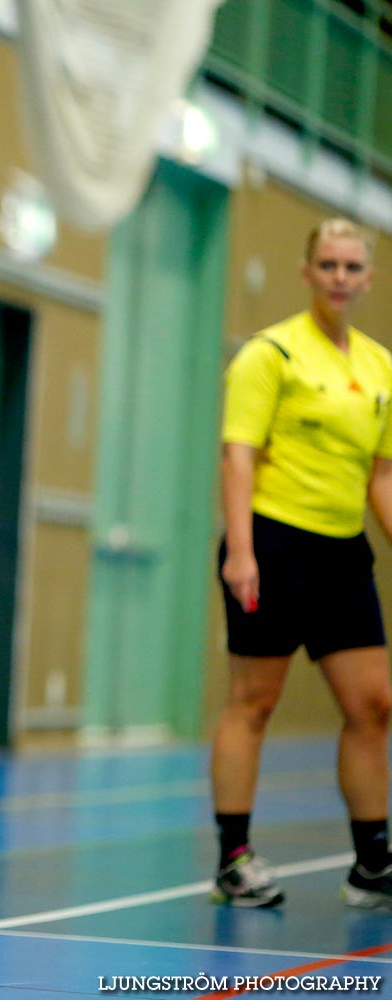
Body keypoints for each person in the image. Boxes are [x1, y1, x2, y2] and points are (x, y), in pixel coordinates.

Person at [210, 217, 392, 909]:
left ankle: (372, 862)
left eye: (351, 267)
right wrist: (241, 552)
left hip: (342, 553)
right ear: (306, 271)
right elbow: (237, 456)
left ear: (368, 277)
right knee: (252, 702)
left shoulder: (377, 366)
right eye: (327, 265)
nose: (339, 277)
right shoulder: (270, 355)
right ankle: (233, 858)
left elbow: (378, 476)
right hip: (272, 544)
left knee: (372, 705)